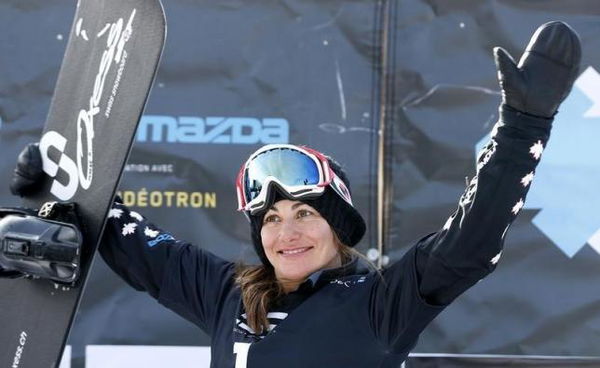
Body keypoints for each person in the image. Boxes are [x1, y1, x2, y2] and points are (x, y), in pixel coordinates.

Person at [4, 21, 581, 367]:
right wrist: (66, 182)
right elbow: (131, 242)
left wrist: (524, 126)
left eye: (306, 213)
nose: (287, 232)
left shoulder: (379, 303)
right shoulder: (227, 295)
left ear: (339, 225)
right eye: (272, 218)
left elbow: (470, 243)